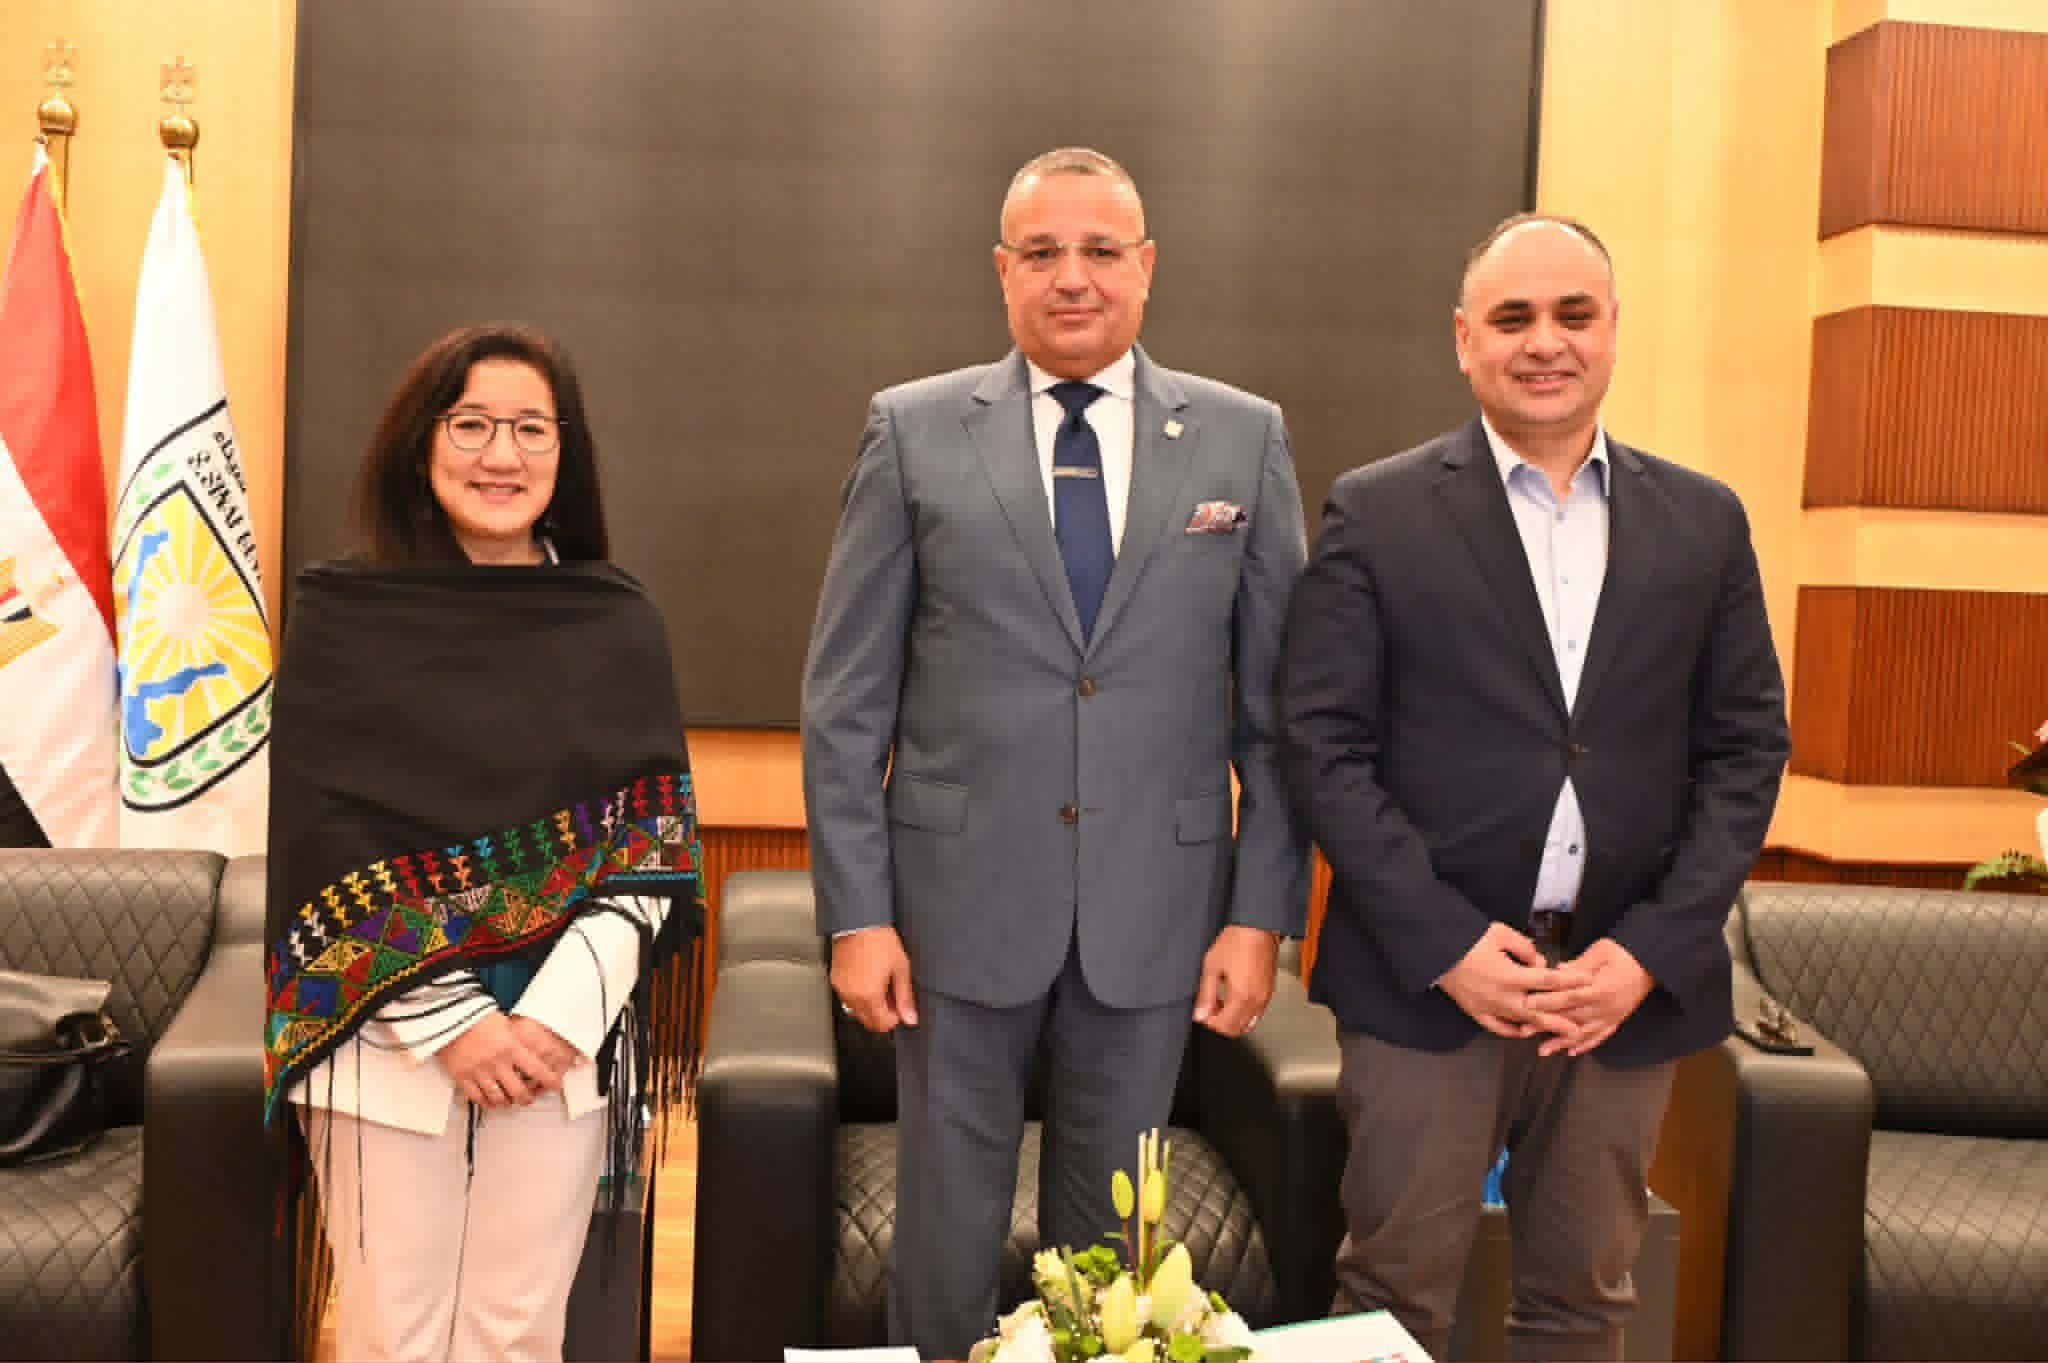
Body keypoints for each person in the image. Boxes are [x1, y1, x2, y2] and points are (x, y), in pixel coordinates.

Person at [801, 147, 1310, 1357]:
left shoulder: (1241, 439)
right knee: (943, 1225)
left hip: (1156, 907)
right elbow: (844, 703)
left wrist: (1259, 915)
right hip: (951, 906)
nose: (1070, 276)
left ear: (1145, 266)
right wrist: (856, 914)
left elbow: (1278, 713)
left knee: (1116, 1243)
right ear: (1001, 270)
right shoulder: (912, 431)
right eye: (1041, 252)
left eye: (1098, 250)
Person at [1278, 214, 1790, 1362]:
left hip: (1616, 991)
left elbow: (1745, 750)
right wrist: (1448, 944)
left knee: (1584, 1303)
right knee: (1387, 1301)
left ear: (1611, 331)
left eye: (1571, 314)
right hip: (1428, 987)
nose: (1542, 341)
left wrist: (1646, 951)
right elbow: (1321, 745)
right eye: (1511, 318)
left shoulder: (1703, 521)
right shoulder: (1377, 509)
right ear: (1465, 340)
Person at [261, 323, 702, 1363]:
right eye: (471, 425)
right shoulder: (344, 613)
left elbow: (651, 846)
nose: (502, 455)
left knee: (518, 1332)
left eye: (530, 429)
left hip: (562, 1043)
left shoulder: (616, 620)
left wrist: (552, 1020)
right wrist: (456, 1023)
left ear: (564, 452)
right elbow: (324, 842)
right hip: (382, 1034)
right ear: (422, 442)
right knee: (393, 1335)